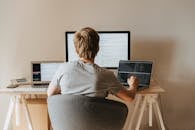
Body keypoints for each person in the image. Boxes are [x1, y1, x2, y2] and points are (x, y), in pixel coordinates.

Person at [47, 27, 138, 102]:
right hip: (96, 123)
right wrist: (133, 85)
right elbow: (129, 98)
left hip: (67, 123)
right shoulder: (106, 75)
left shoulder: (63, 68)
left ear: (76, 49)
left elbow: (50, 94)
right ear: (97, 48)